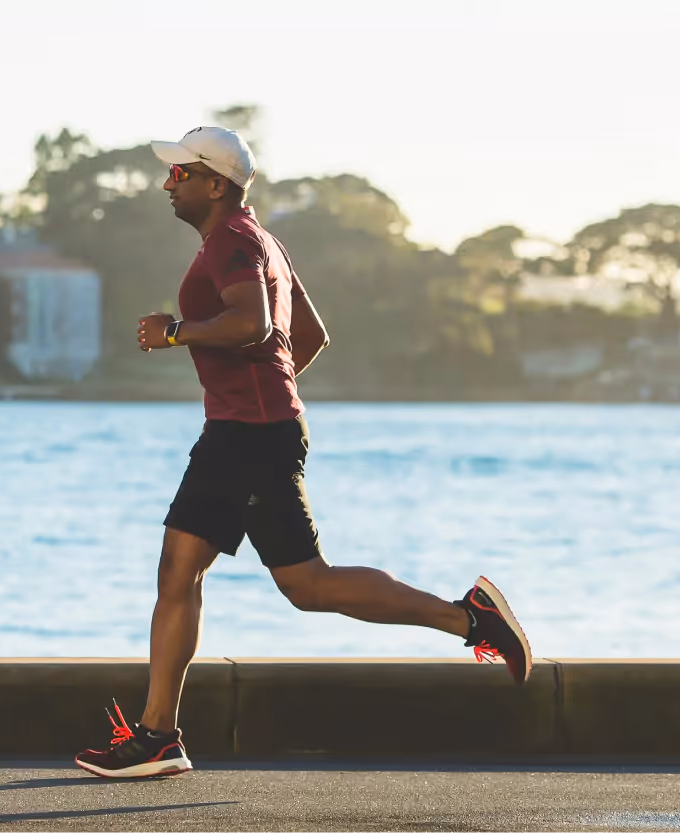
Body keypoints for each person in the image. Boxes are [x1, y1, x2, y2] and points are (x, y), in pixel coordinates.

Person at [75, 127, 531, 779]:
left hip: (246, 436)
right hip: (252, 430)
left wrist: (178, 332)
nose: (168, 183)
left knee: (264, 579)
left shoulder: (233, 242)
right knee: (251, 579)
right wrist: (267, 392)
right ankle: (160, 735)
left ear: (215, 182)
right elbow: (307, 335)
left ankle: (158, 736)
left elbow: (257, 325)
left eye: (180, 173)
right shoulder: (261, 241)